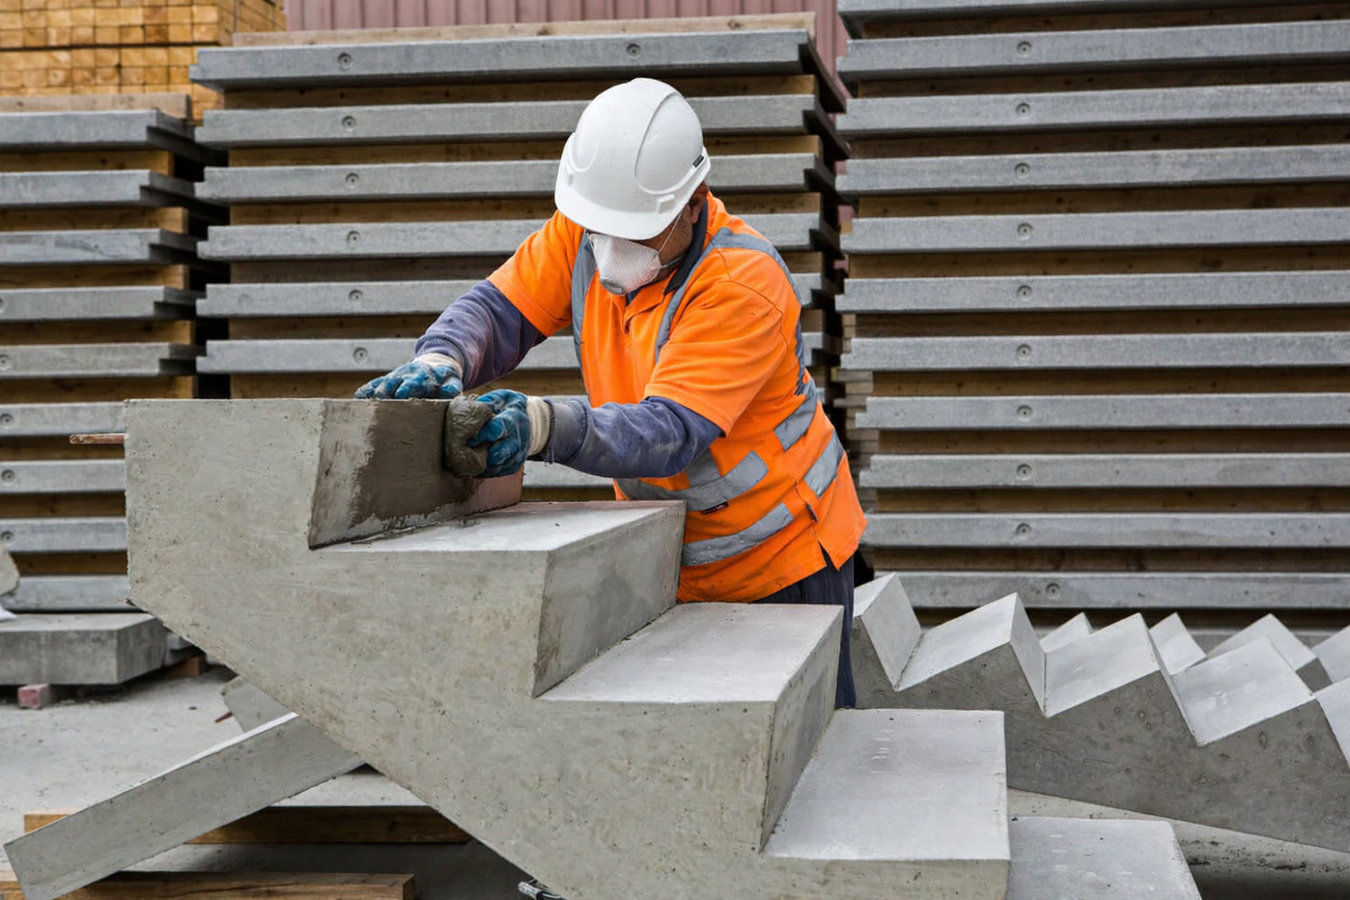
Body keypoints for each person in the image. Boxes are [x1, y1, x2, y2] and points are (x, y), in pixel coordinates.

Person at [357, 77, 867, 708]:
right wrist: (443, 356)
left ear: (691, 202)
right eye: (600, 228)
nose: (611, 250)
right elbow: (499, 309)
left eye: (636, 232)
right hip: (676, 555)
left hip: (783, 562)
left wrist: (543, 426)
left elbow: (669, 432)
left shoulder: (741, 284)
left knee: (806, 762)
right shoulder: (585, 230)